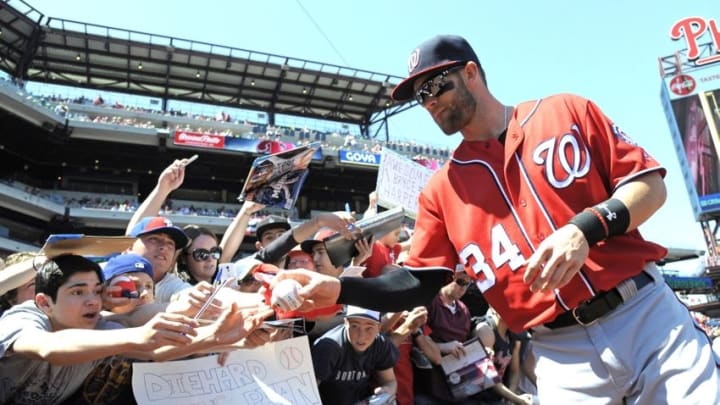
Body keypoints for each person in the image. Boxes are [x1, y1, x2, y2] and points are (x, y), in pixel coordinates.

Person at [275, 35, 720, 403]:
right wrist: (338, 287)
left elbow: (650, 186)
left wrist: (584, 229)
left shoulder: (565, 111)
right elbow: (419, 282)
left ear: (471, 72)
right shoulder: (441, 190)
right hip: (557, 350)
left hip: (642, 313)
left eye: (435, 85)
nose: (426, 101)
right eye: (418, 96)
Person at [311, 305, 398, 405]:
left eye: (369, 328)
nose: (361, 336)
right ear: (345, 323)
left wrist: (385, 393)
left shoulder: (380, 343)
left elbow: (390, 381)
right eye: (354, 326)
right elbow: (308, 393)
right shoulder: (329, 347)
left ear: (378, 327)